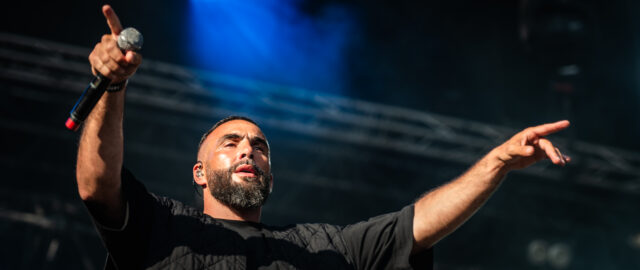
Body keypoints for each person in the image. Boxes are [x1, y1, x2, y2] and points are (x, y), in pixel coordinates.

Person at [76, 5, 571, 270]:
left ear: (272, 173)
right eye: (231, 143)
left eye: (260, 145)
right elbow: (98, 186)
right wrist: (112, 87)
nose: (249, 147)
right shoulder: (163, 229)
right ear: (199, 173)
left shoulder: (322, 249)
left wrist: (498, 162)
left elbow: (416, 226)